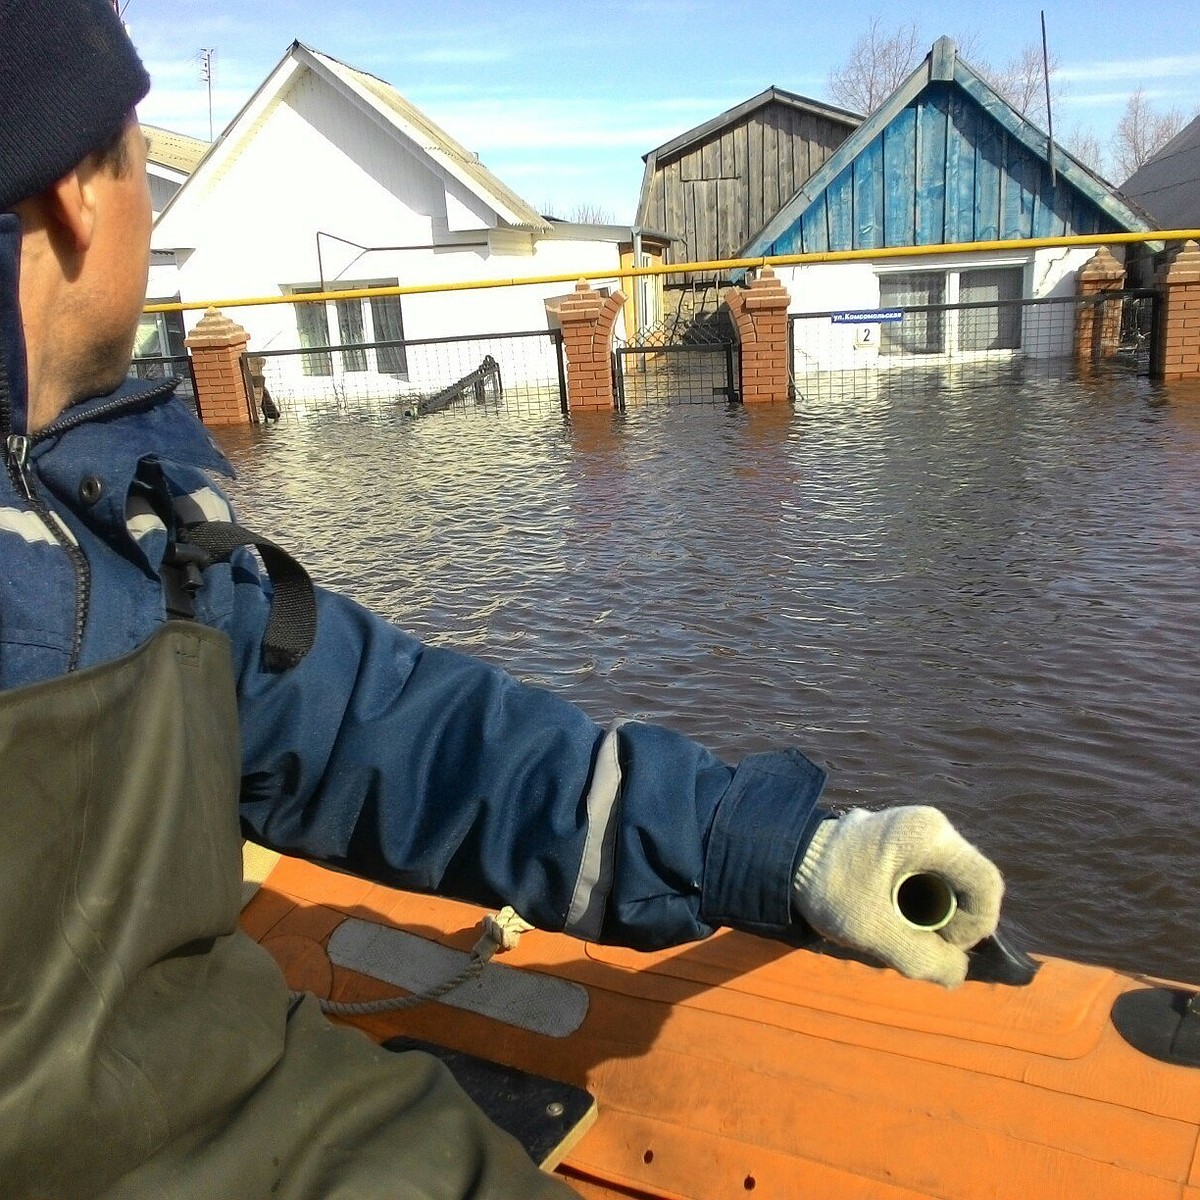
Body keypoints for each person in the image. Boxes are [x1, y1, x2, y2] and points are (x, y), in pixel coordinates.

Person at [0, 2, 1004, 1197]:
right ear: (81, 193)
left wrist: (771, 847)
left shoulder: (103, 519)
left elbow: (379, 728)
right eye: (134, 149)